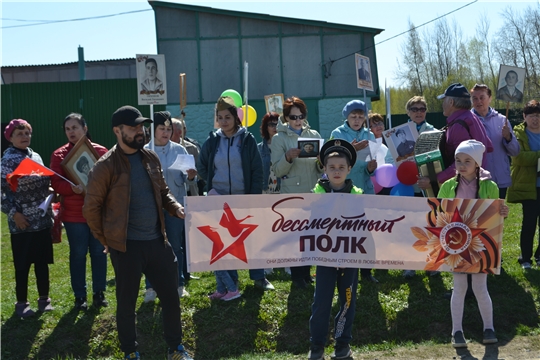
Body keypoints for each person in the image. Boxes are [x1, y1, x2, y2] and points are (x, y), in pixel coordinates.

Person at [82, 105, 193, 360]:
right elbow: (91, 209)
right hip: (126, 247)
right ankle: (130, 352)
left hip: (157, 241)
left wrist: (175, 208)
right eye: (134, 128)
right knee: (127, 304)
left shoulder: (150, 157)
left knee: (171, 298)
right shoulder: (104, 167)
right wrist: (106, 239)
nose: (140, 131)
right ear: (117, 131)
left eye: (142, 126)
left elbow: (164, 192)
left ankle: (175, 349)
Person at [197, 96, 274, 292]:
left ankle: (259, 277)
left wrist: (253, 196)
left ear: (236, 118)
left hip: (244, 197)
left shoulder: (247, 140)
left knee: (253, 238)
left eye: (227, 117)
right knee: (225, 241)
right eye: (220, 117)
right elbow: (202, 166)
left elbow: (257, 170)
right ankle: (232, 281)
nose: (224, 121)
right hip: (220, 200)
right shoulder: (212, 141)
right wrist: (212, 185)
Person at [438, 140, 509, 348]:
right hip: (455, 244)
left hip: (481, 244)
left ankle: (489, 328)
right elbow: (439, 214)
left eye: (467, 161)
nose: (461, 165)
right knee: (458, 288)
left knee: (480, 287)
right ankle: (456, 331)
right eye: (458, 160)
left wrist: (502, 212)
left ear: (477, 163)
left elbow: (495, 216)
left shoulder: (490, 186)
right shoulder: (447, 186)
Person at [308, 139, 360, 360]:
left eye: (341, 167)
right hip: (325, 259)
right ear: (324, 169)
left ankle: (342, 344)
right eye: (332, 167)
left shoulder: (359, 195)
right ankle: (317, 346)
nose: (336, 171)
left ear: (349, 169)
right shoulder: (315, 194)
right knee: (321, 302)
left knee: (347, 302)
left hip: (350, 259)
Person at [50, 113, 108, 310]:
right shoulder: (59, 155)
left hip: (98, 213)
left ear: (85, 128)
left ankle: (99, 293)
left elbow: (112, 179)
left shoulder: (100, 152)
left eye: (74, 127)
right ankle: (79, 296)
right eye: (67, 129)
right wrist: (70, 189)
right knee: (78, 254)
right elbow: (56, 181)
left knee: (99, 253)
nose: (71, 132)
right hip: (74, 216)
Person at [142, 111, 197, 302]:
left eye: (168, 129)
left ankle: (178, 283)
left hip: (176, 206)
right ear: (153, 129)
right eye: (161, 129)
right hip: (151, 208)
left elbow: (188, 179)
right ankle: (151, 287)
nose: (165, 132)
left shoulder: (180, 150)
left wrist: (191, 176)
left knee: (175, 245)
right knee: (151, 247)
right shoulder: (144, 151)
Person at [1, 119, 54, 317]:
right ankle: (21, 303)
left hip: (41, 219)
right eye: (19, 133)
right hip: (21, 222)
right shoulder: (8, 161)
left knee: (42, 263)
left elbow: (44, 180)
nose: (25, 137)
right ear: (10, 137)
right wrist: (14, 214)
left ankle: (44, 299)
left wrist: (49, 190)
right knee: (22, 265)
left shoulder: (36, 156)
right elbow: (1, 192)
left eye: (27, 133)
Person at [271, 96, 324, 288]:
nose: (297, 120)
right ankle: (297, 277)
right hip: (291, 193)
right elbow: (277, 171)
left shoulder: (314, 134)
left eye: (301, 116)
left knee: (311, 236)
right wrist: (287, 157)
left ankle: (307, 274)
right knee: (295, 236)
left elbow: (319, 170)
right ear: (286, 118)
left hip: (313, 192)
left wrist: (321, 161)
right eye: (293, 117)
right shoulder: (279, 138)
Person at [329, 100, 378, 283]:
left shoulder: (369, 134)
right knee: (344, 231)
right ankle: (343, 269)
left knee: (365, 231)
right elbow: (332, 159)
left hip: (364, 188)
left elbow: (369, 165)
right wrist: (352, 149)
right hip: (344, 189)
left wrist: (371, 168)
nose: (357, 120)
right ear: (346, 117)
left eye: (360, 116)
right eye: (353, 117)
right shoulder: (337, 133)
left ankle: (366, 271)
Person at [417, 83, 493, 192]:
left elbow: (462, 161)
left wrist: (434, 179)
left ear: (451, 102)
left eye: (444, 100)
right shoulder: (472, 117)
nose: (443, 104)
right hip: (476, 181)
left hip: (465, 186)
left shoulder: (458, 125)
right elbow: (489, 147)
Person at [471, 84, 520, 199]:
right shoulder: (468, 121)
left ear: (490, 98)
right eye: (475, 98)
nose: (478, 101)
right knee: (479, 215)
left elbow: (515, 151)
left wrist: (509, 138)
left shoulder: (503, 120)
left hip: (500, 179)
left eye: (482, 97)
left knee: (498, 215)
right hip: (477, 181)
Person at [507, 100, 540, 269]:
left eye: (539, 116)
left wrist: (533, 156)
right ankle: (525, 258)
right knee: (529, 223)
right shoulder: (518, 134)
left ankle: (539, 255)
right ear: (524, 117)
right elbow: (519, 157)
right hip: (529, 185)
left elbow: (528, 157)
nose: (536, 119)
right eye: (532, 116)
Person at [258, 112, 281, 194]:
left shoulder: (285, 147)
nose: (275, 127)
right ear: (266, 127)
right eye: (271, 125)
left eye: (277, 124)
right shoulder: (259, 149)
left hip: (282, 189)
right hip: (265, 190)